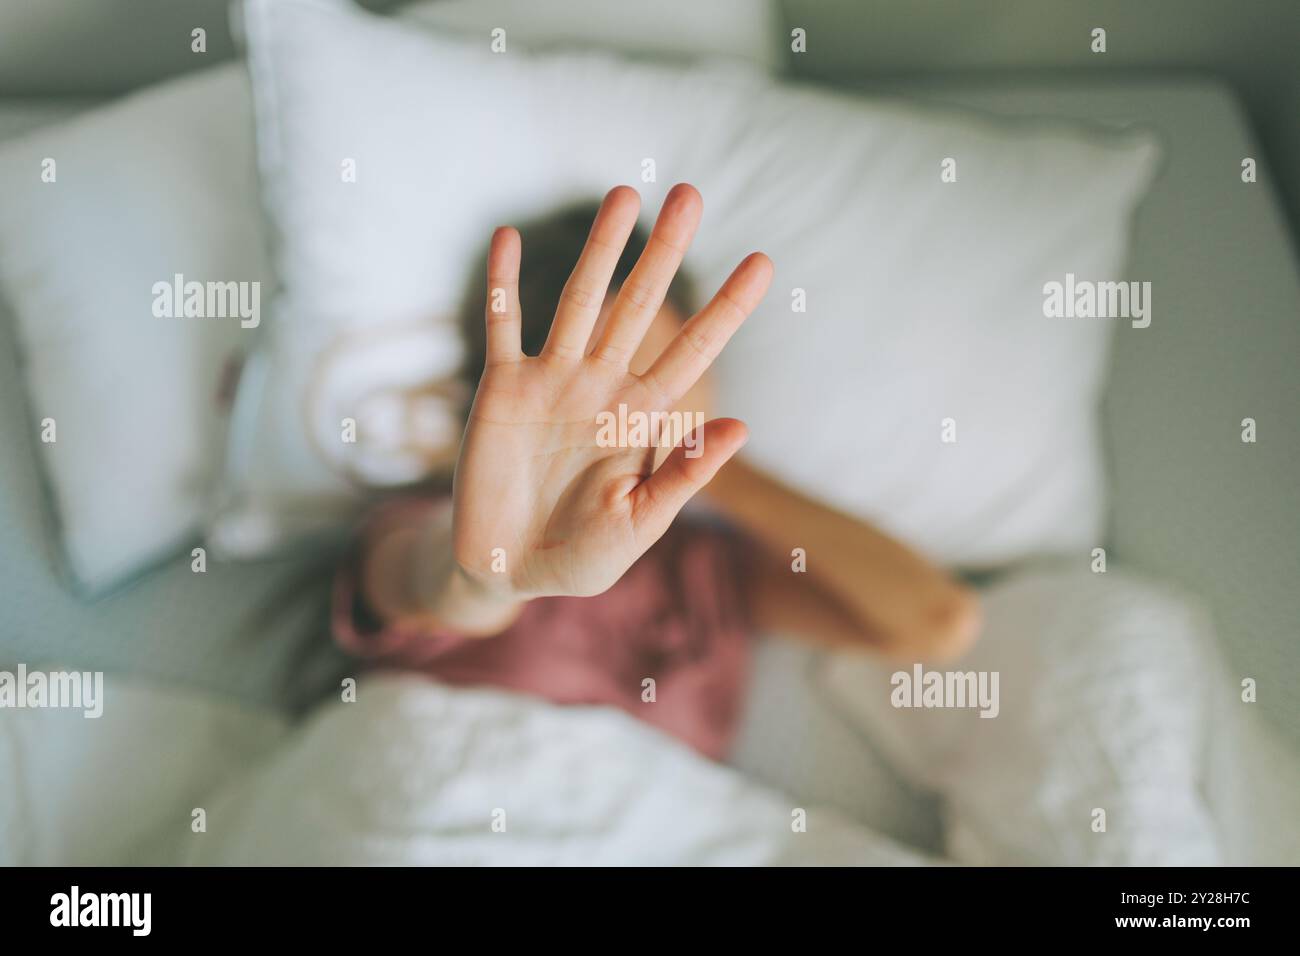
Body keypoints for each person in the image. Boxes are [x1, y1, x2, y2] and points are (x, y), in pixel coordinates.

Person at [334, 183, 980, 761]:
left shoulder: (711, 573)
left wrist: (715, 471)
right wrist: (492, 581)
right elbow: (428, 586)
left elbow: (936, 622)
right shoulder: (439, 524)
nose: (639, 416)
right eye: (613, 388)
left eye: (670, 376)